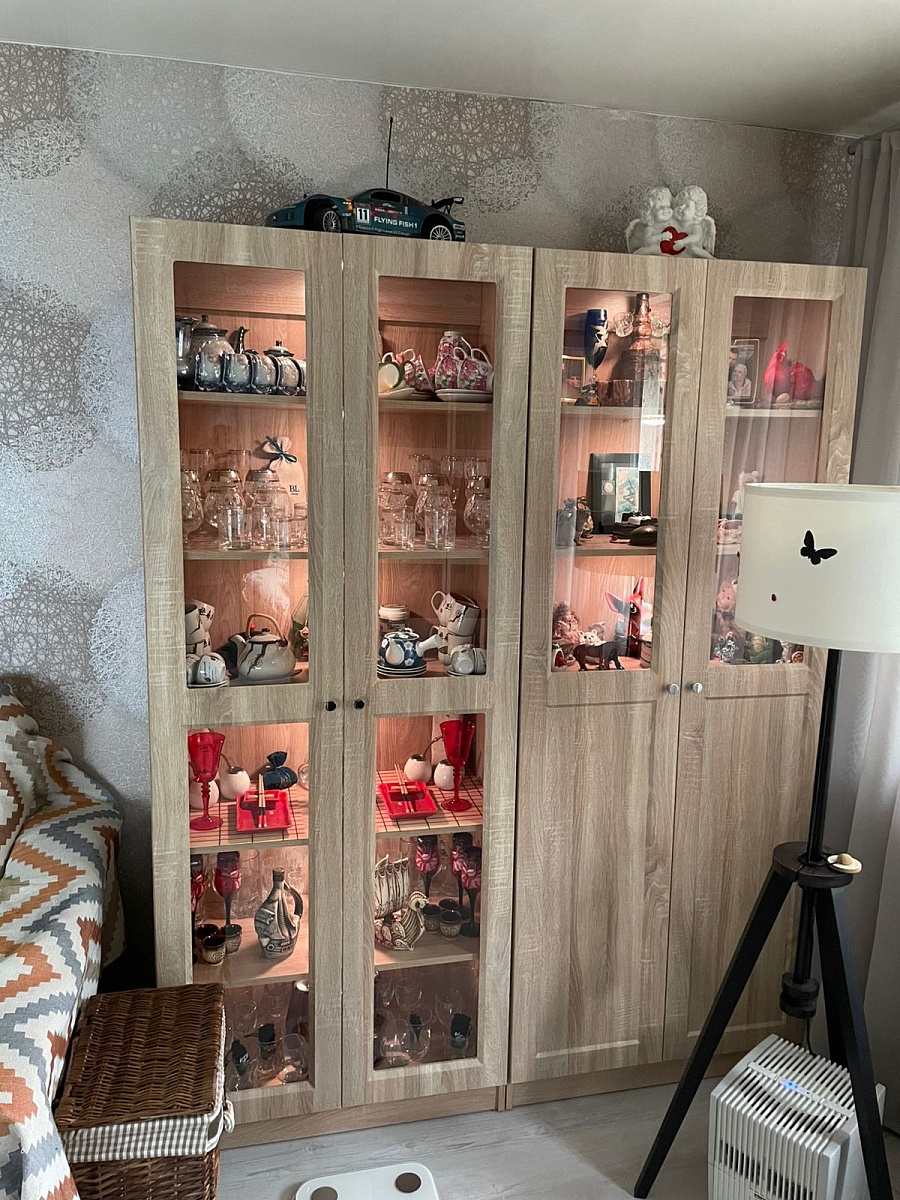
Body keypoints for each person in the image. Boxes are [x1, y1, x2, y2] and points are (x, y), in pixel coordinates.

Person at [626, 187, 674, 255]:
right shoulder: (650, 228)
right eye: (661, 208)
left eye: (668, 207)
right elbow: (647, 242)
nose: (666, 210)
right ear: (650, 212)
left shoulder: (670, 225)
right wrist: (661, 237)